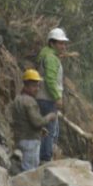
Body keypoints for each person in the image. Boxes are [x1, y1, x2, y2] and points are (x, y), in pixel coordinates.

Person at [11, 69, 58, 172]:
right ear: (26, 86)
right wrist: (50, 116)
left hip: (19, 139)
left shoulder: (17, 99)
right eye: (34, 86)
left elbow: (24, 121)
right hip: (30, 141)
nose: (37, 89)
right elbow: (37, 122)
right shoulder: (30, 101)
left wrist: (40, 129)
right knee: (30, 172)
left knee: (25, 170)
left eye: (37, 85)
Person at [36, 27, 69, 163]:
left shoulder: (47, 56)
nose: (63, 46)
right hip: (48, 100)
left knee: (46, 130)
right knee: (50, 131)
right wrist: (57, 97)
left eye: (63, 43)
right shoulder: (51, 58)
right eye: (60, 43)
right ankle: (45, 159)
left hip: (42, 98)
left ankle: (42, 157)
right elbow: (50, 80)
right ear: (52, 43)